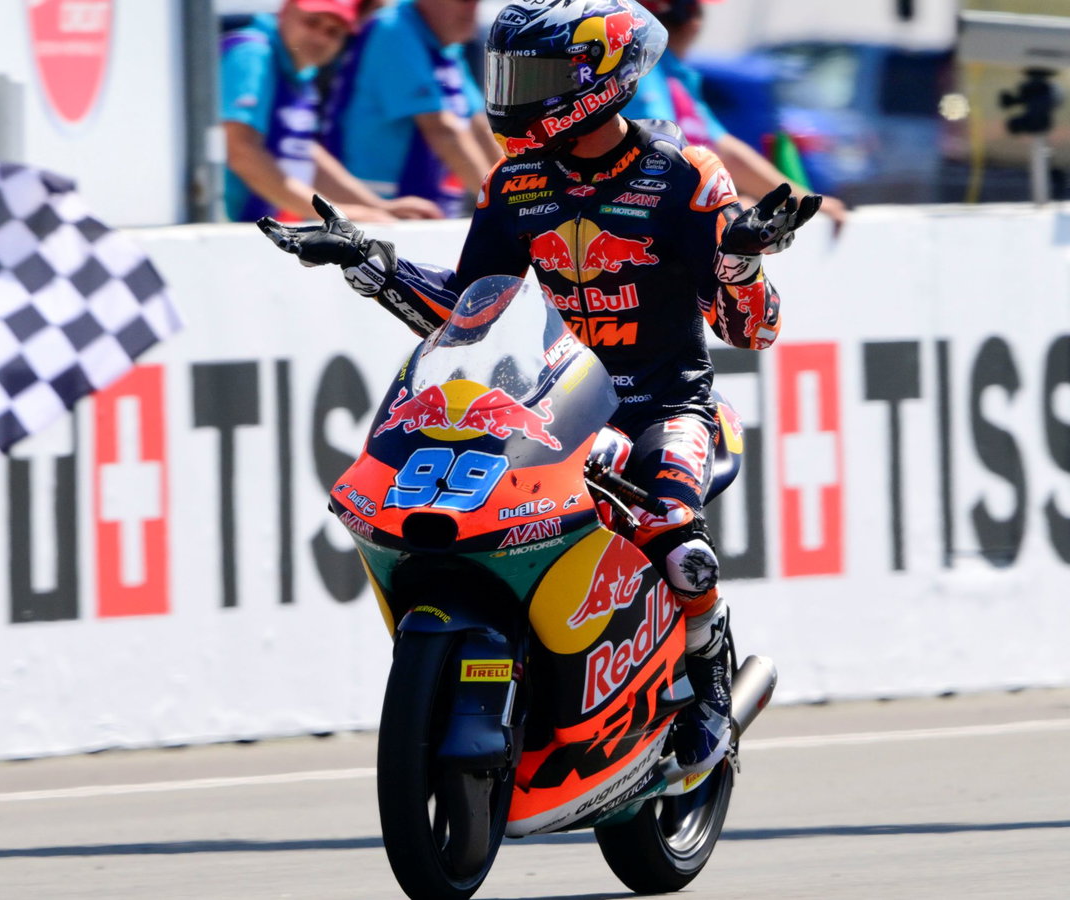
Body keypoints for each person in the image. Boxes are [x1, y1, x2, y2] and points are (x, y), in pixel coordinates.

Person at [259, 0, 821, 773]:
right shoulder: (513, 183)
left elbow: (752, 331)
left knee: (676, 538)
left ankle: (711, 688)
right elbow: (470, 310)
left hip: (667, 406)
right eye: (508, 76)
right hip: (559, 406)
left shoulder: (686, 176)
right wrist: (370, 261)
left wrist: (741, 263)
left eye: (536, 78)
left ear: (600, 81)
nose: (512, 97)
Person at [625, 0, 849, 232]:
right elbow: (663, 151)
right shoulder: (644, 72)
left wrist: (800, 200)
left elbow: (723, 149)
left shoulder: (669, 75)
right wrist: (725, 206)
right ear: (693, 20)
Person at [221, 0, 442, 224]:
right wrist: (338, 213)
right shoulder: (252, 54)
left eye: (333, 32)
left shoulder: (297, 68)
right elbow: (241, 150)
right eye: (311, 22)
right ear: (285, 12)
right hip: (219, 227)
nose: (320, 38)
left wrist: (378, 207)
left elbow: (303, 151)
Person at [325, 0, 502, 217]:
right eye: (463, 1)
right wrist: (504, 206)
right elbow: (442, 130)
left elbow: (478, 126)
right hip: (370, 211)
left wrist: (514, 189)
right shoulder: (393, 30)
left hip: (417, 208)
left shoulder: (445, 44)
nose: (472, 8)